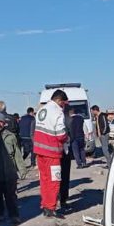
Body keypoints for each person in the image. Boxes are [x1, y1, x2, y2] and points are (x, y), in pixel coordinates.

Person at [33, 89, 69, 217]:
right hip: (52, 152)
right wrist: (67, 138)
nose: (64, 106)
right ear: (59, 101)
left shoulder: (42, 110)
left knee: (44, 180)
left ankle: (45, 205)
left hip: (39, 151)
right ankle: (51, 208)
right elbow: (60, 134)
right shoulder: (58, 112)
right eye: (63, 103)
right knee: (54, 181)